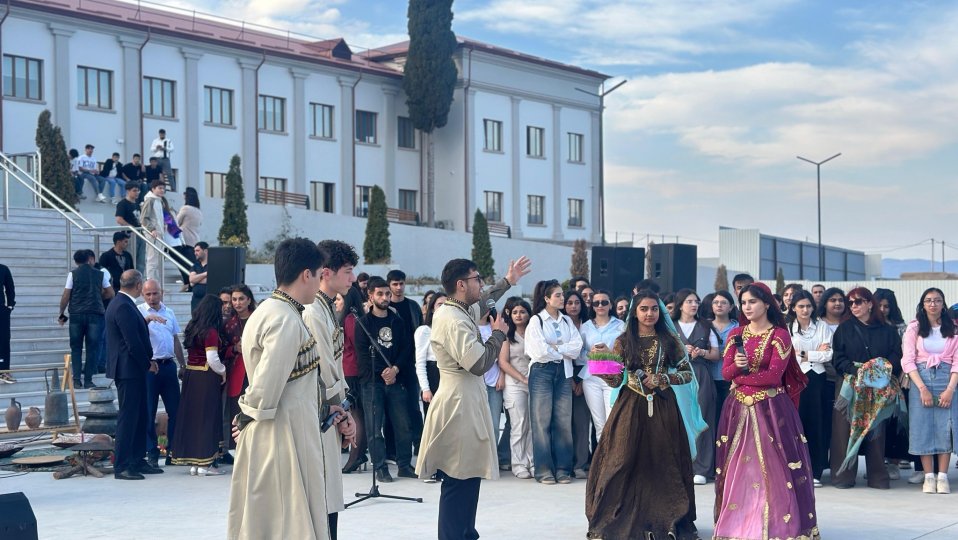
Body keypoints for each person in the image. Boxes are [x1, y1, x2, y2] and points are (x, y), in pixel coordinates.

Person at [228, 238, 352, 540]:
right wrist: (245, 417)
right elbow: (268, 383)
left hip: (292, 425)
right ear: (307, 275)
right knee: (285, 522)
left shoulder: (280, 311)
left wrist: (328, 407)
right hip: (281, 433)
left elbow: (295, 381)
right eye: (318, 272)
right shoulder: (283, 318)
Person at [416, 256, 530, 540]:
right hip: (458, 401)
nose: (481, 284)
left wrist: (508, 282)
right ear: (460, 284)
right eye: (477, 279)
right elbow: (478, 364)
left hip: (466, 396)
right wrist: (498, 336)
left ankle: (466, 533)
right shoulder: (452, 318)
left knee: (469, 475)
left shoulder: (460, 309)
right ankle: (455, 535)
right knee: (458, 476)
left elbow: (485, 300)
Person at [585, 291, 699, 540]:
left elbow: (686, 373)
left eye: (654, 309)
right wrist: (601, 359)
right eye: (644, 309)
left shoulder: (670, 340)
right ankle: (615, 516)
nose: (649, 314)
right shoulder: (624, 341)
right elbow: (615, 382)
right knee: (622, 458)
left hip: (664, 409)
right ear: (635, 312)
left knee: (663, 461)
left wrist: (662, 378)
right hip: (629, 408)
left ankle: (667, 518)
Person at [714, 282, 819, 539]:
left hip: (770, 409)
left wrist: (740, 378)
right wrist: (737, 370)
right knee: (739, 468)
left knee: (775, 468)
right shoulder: (736, 335)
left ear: (766, 304)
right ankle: (739, 526)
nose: (747, 307)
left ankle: (777, 527)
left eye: (752, 302)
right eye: (744, 303)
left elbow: (773, 377)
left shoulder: (779, 335)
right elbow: (726, 373)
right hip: (738, 410)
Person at [303, 240, 359, 539]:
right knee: (322, 498)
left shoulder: (325, 309)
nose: (352, 278)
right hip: (323, 413)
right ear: (326, 272)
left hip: (333, 411)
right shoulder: (313, 312)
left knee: (330, 497)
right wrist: (342, 412)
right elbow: (325, 370)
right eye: (348, 271)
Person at [830, 286, 903, 489]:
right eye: (850, 302)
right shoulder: (844, 329)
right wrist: (857, 373)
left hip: (878, 386)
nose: (853, 306)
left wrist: (879, 372)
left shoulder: (888, 330)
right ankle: (843, 476)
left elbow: (896, 354)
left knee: (876, 431)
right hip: (850, 384)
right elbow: (837, 357)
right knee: (843, 431)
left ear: (870, 303)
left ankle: (878, 477)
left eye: (858, 301)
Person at [355, 276, 415, 483]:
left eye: (387, 293)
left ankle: (405, 465)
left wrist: (395, 369)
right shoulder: (363, 324)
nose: (385, 297)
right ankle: (380, 468)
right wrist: (384, 373)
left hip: (396, 381)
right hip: (372, 383)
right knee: (374, 428)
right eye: (380, 294)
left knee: (403, 425)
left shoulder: (397, 321)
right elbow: (362, 355)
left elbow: (406, 348)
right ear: (370, 296)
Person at [525, 279, 583, 484]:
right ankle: (543, 470)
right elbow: (538, 351)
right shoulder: (536, 321)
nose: (562, 298)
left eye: (562, 295)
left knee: (563, 422)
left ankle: (563, 469)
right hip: (542, 372)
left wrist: (556, 348)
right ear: (547, 298)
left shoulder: (567, 321)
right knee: (541, 422)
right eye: (557, 295)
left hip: (564, 372)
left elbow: (577, 347)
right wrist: (562, 349)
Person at [106, 270, 161, 480]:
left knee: (140, 415)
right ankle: (122, 465)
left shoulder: (124, 303)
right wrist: (148, 363)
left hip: (133, 369)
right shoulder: (122, 305)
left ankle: (138, 459)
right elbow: (132, 342)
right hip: (128, 369)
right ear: (138, 285)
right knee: (129, 417)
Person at [902, 287, 958, 494]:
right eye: (928, 300)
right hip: (921, 378)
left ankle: (943, 476)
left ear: (943, 304)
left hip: (947, 379)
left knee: (946, 426)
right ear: (923, 304)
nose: (933, 304)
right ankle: (928, 476)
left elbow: (957, 362)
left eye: (937, 300)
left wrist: (950, 389)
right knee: (922, 427)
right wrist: (922, 388)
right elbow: (907, 360)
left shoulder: (953, 328)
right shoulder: (914, 328)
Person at [170, 295, 226, 475]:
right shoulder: (210, 332)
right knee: (207, 419)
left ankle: (195, 463)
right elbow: (212, 358)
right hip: (206, 377)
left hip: (191, 376)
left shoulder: (192, 327)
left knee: (193, 419)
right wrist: (223, 371)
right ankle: (204, 464)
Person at [671, 288, 719, 485]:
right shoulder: (670, 326)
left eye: (696, 302)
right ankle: (679, 466)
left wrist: (702, 353)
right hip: (676, 375)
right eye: (690, 301)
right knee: (677, 418)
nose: (694, 305)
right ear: (680, 304)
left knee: (703, 418)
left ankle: (702, 467)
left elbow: (716, 355)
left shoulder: (706, 326)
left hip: (700, 374)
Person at [787, 289, 832, 487]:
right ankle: (794, 468)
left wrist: (805, 354)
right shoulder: (786, 327)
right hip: (794, 379)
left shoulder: (822, 326)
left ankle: (816, 470)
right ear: (793, 308)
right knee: (795, 424)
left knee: (817, 425)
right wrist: (814, 352)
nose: (805, 310)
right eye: (801, 306)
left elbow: (828, 354)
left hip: (817, 380)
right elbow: (787, 354)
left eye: (808, 306)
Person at [137, 279, 184, 469]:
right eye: (148, 294)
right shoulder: (139, 312)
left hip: (168, 365)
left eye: (155, 293)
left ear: (161, 293)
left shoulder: (169, 313)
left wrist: (183, 364)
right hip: (150, 367)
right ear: (142, 295)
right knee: (149, 411)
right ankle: (152, 453)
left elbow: (175, 340)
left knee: (176, 410)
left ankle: (173, 451)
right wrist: (147, 320)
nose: (151, 298)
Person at [59, 249, 114, 388]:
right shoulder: (100, 274)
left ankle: (77, 379)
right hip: (95, 314)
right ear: (90, 259)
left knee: (76, 347)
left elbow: (66, 295)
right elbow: (111, 293)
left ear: (77, 262)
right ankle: (88, 379)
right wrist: (98, 297)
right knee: (92, 348)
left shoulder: (73, 274)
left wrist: (61, 313)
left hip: (76, 314)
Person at [578, 289, 626, 446]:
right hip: (591, 378)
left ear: (610, 305)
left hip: (613, 378)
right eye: (596, 303)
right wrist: (590, 354)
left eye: (604, 302)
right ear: (592, 306)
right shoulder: (584, 327)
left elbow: (627, 354)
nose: (600, 305)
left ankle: (615, 462)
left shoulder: (620, 326)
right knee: (599, 424)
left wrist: (609, 352)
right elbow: (578, 354)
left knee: (613, 421)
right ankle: (602, 463)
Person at [386, 269, 424, 456]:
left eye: (401, 283)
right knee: (391, 410)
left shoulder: (412, 307)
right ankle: (392, 450)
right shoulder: (385, 307)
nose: (398, 287)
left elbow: (420, 332)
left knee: (413, 408)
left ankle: (419, 444)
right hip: (390, 365)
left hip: (410, 364)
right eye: (395, 284)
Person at [874, 288, 911, 478]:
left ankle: (894, 462)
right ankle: (880, 462)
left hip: (896, 378)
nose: (883, 309)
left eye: (886, 306)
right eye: (879, 305)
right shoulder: (870, 325)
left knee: (896, 421)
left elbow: (907, 354)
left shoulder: (901, 327)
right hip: (875, 379)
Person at [498, 297, 534, 479]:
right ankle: (519, 464)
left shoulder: (535, 333)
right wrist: (522, 378)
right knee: (519, 425)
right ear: (510, 315)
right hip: (515, 384)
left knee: (533, 426)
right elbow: (503, 362)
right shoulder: (507, 336)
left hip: (535, 385)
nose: (519, 315)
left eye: (522, 311)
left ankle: (533, 463)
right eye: (515, 312)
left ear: (529, 314)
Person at [222, 284, 256, 459]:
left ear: (249, 300)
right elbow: (223, 350)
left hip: (257, 371)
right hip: (236, 372)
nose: (237, 303)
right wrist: (234, 348)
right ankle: (238, 451)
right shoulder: (229, 324)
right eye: (234, 299)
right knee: (236, 410)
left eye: (241, 298)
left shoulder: (259, 319)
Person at [564, 289, 592, 478]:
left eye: (577, 302)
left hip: (588, 373)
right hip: (563, 373)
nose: (573, 306)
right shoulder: (559, 324)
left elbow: (593, 355)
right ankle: (565, 463)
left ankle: (580, 464)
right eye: (570, 303)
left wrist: (581, 379)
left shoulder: (589, 326)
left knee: (582, 423)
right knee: (564, 422)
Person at [707, 290, 739, 421]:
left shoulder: (738, 327)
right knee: (711, 415)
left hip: (731, 379)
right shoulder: (704, 326)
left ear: (731, 307)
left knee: (728, 416)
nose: (719, 305)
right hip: (709, 378)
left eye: (723, 303)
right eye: (716, 302)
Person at [416, 292, 447, 421]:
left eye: (447, 304)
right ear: (433, 308)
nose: (444, 308)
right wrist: (425, 389)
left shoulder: (454, 330)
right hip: (433, 375)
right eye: (440, 304)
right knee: (433, 421)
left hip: (449, 378)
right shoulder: (424, 331)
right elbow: (420, 362)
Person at [115, 181, 146, 273]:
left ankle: (139, 279)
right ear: (128, 191)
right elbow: (119, 219)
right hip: (130, 235)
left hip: (140, 233)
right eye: (134, 191)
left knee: (141, 260)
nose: (137, 193)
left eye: (138, 191)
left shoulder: (137, 204)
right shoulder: (122, 203)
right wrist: (130, 227)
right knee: (131, 258)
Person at [175, 187, 202, 290]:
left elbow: (177, 222)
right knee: (190, 263)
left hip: (184, 239)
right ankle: (189, 284)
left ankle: (188, 283)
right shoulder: (198, 211)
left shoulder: (185, 208)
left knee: (183, 263)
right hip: (195, 240)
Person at [0, 263, 15, 384]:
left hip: (1, 311)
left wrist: (10, 306)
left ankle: (3, 371)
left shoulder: (3, 269)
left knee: (3, 340)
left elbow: (10, 288)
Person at [189, 242, 210, 313]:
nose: (195, 253)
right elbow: (191, 280)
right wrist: (206, 274)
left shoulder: (213, 264)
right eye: (194, 251)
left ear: (205, 251)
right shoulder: (195, 266)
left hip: (209, 301)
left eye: (197, 250)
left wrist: (196, 280)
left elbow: (212, 280)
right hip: (196, 301)